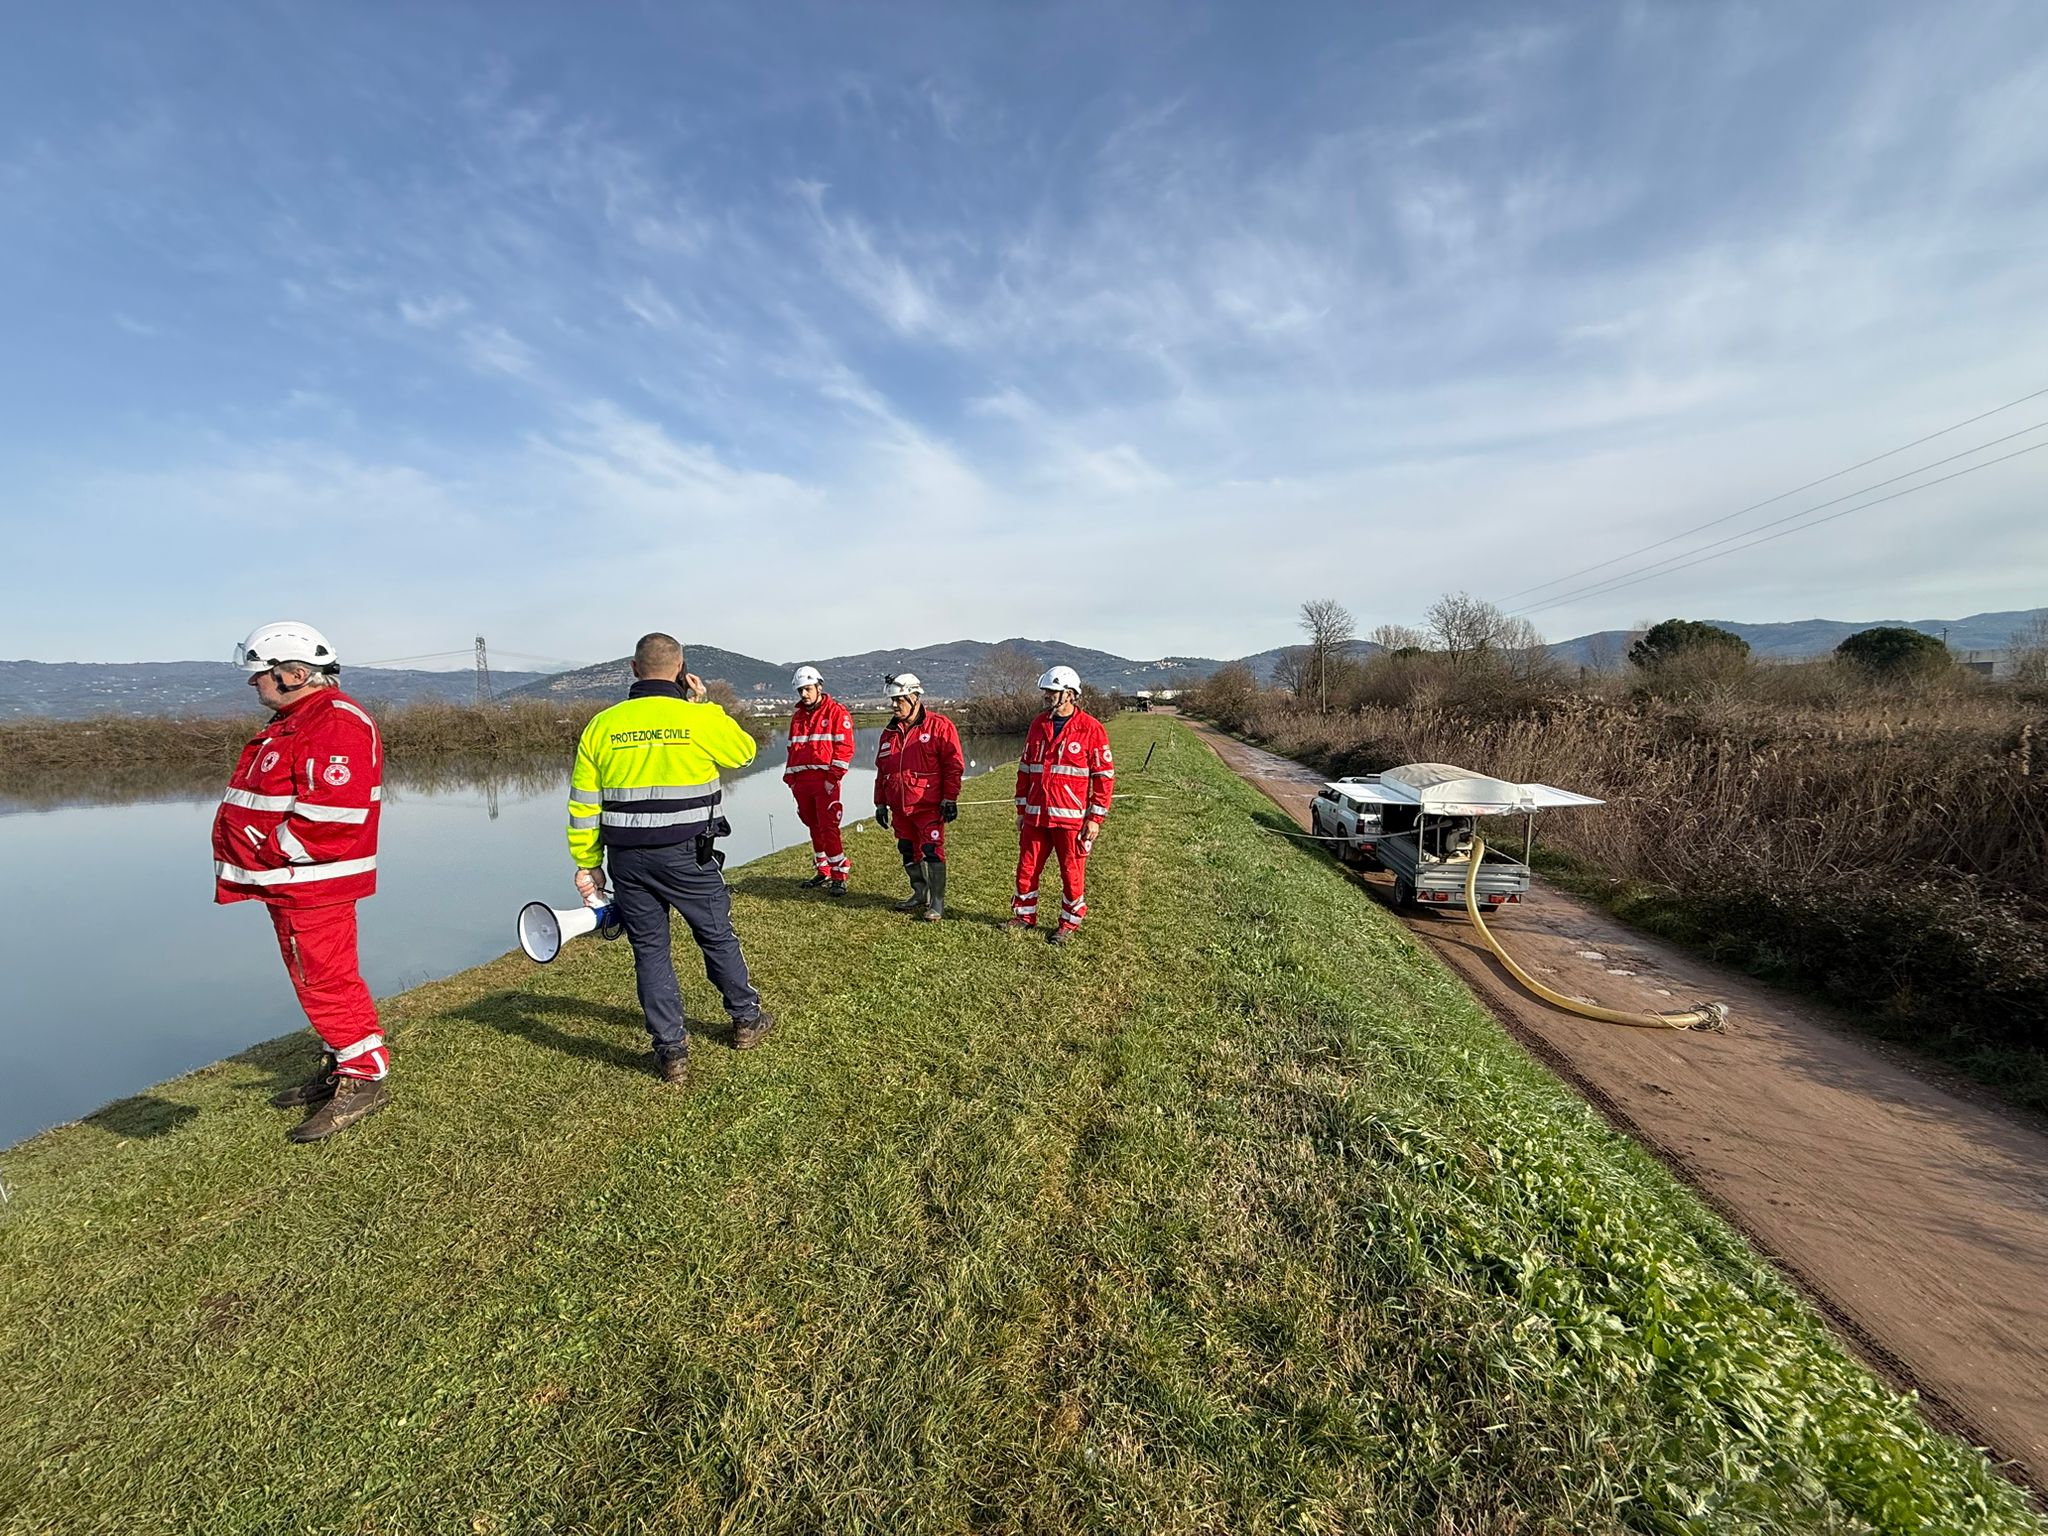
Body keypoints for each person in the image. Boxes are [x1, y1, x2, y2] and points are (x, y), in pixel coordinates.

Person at [567, 633, 774, 1085]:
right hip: (688, 854)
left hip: (626, 859)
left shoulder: (602, 726)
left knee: (650, 950)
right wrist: (705, 706)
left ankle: (671, 1050)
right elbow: (744, 752)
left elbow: (583, 804)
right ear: (680, 670)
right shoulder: (696, 718)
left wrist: (587, 862)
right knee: (715, 934)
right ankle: (745, 1018)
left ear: (633, 669)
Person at [214, 621, 390, 1142]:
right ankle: (343, 1062)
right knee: (316, 977)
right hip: (293, 882)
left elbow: (333, 816)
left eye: (261, 673)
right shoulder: (300, 719)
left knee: (325, 980)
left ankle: (363, 1078)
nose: (253, 682)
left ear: (293, 674)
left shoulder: (333, 722)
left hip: (310, 883)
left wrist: (271, 851)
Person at [1010, 665, 1115, 945]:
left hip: (1071, 820)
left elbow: (1104, 777)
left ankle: (1069, 923)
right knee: (1027, 868)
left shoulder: (1091, 728)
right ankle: (1024, 916)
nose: (1046, 695)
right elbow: (1025, 768)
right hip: (1036, 815)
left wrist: (1095, 818)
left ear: (1069, 694)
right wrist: (1021, 810)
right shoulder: (1038, 725)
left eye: (1052, 691)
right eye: (1046, 691)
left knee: (1071, 873)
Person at [873, 672, 964, 921]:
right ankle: (919, 893)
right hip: (899, 808)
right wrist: (880, 803)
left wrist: (950, 798)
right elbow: (882, 771)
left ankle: (937, 902)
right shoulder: (888, 733)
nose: (894, 705)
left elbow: (953, 765)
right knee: (906, 849)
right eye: (892, 700)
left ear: (915, 698)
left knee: (931, 850)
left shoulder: (939, 726)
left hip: (928, 806)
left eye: (899, 700)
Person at [783, 664, 855, 895]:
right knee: (812, 825)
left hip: (824, 781)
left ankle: (839, 875)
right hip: (801, 781)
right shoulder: (797, 716)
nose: (804, 694)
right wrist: (791, 779)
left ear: (819, 687)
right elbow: (791, 749)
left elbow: (844, 749)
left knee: (828, 827)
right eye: (800, 690)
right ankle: (823, 870)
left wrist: (832, 778)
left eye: (808, 689)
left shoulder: (836, 712)